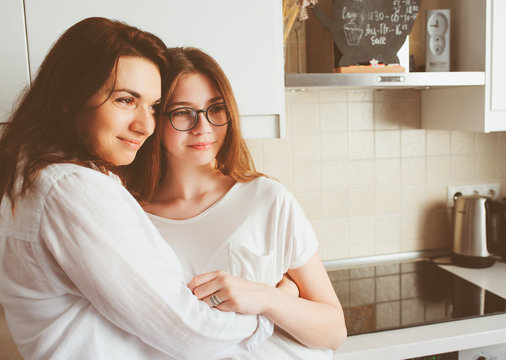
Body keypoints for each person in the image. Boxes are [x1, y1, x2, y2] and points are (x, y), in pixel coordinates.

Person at [0, 17, 273, 360]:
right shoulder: (70, 190)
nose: (145, 126)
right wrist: (269, 309)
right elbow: (186, 330)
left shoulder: (37, 176)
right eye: (126, 100)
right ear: (70, 97)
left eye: (154, 107)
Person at [136, 47, 347, 359]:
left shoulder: (267, 199)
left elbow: (334, 332)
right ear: (155, 117)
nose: (203, 126)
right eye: (182, 112)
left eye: (216, 109)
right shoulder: (134, 218)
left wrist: (266, 298)